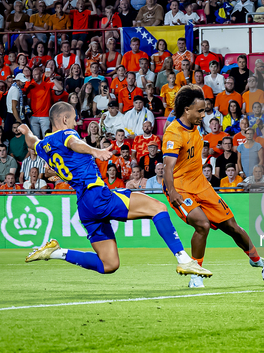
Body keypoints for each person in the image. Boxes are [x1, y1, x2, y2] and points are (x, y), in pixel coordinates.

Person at [22, 102, 211, 278]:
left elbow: (31, 141)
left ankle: (56, 252)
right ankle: (184, 260)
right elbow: (74, 143)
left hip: (85, 207)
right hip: (97, 195)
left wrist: (26, 130)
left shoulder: (42, 146)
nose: (75, 123)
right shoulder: (67, 135)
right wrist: (95, 151)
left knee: (108, 264)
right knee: (158, 208)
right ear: (64, 120)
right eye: (73, 120)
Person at [162, 85, 264, 288]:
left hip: (202, 185)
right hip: (180, 189)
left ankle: (256, 260)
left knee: (232, 227)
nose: (203, 115)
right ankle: (196, 276)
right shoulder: (173, 133)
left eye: (204, 110)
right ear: (186, 109)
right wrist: (172, 191)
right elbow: (168, 167)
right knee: (202, 225)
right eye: (200, 111)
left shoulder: (195, 125)